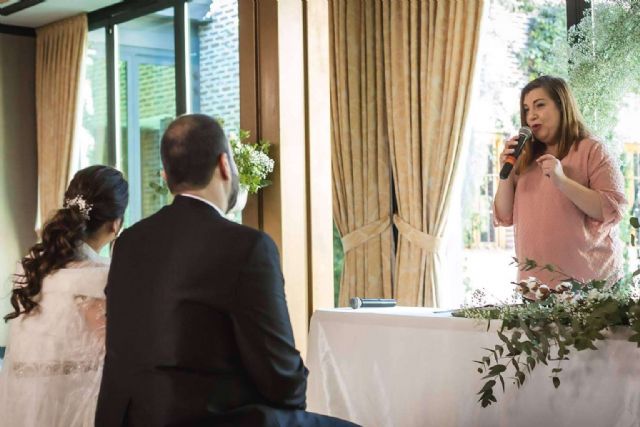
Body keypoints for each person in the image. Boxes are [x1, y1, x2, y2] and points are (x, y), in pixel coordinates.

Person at [95, 114, 358, 427]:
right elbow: (283, 382)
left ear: (167, 176)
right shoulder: (246, 247)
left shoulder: (129, 243)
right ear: (224, 165)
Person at [0, 165, 129, 426]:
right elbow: (116, 351)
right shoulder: (98, 277)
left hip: (23, 407)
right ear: (116, 224)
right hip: (79, 409)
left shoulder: (34, 266)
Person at [494, 75, 627, 287]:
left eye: (539, 105)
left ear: (562, 106)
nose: (531, 116)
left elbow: (610, 209)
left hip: (589, 289)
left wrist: (562, 180)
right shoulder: (525, 156)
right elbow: (504, 214)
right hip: (535, 288)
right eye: (526, 109)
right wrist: (506, 172)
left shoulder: (592, 149)